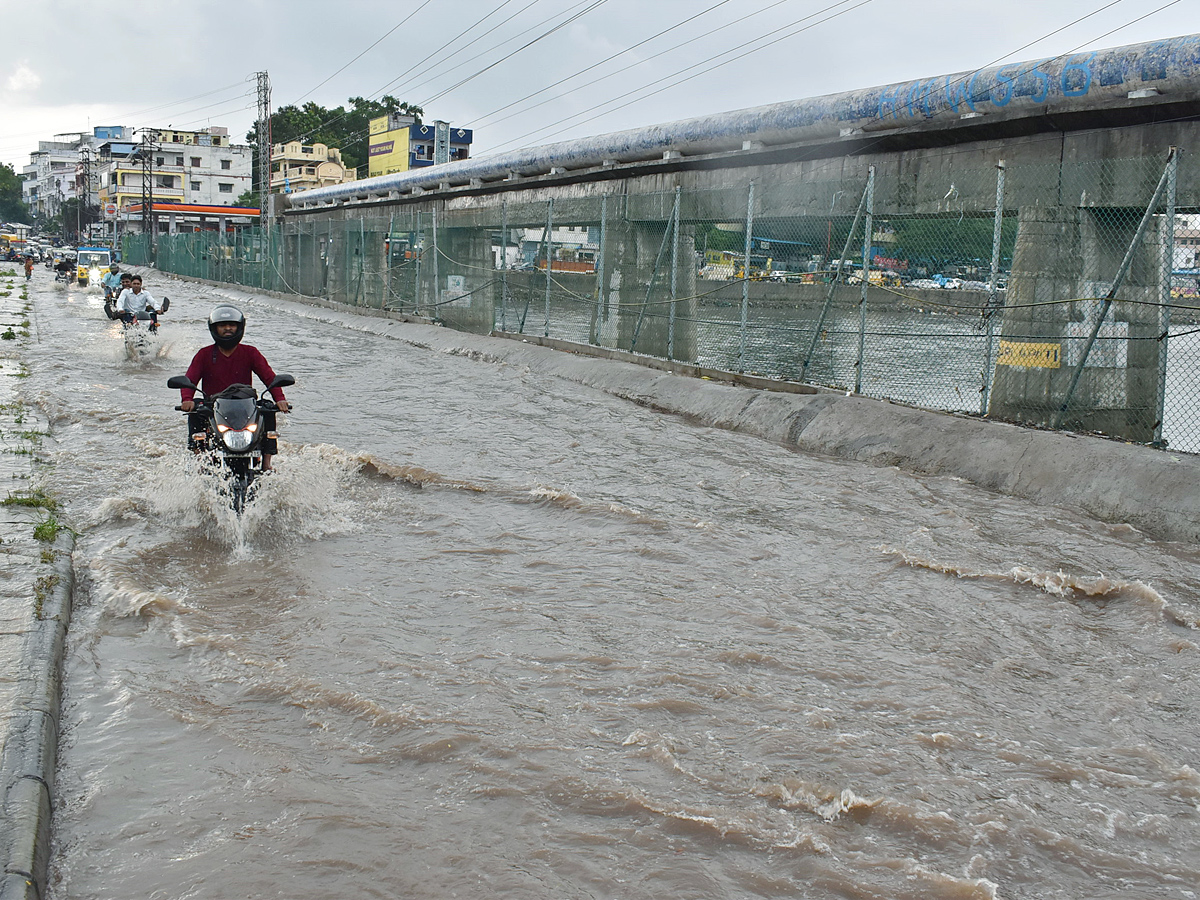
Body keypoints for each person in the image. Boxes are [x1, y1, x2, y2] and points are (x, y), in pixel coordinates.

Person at [178, 305, 290, 471]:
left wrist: (279, 399)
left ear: (240, 327)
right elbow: (190, 379)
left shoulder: (251, 352)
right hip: (214, 405)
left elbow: (269, 377)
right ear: (214, 328)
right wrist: (187, 400)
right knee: (195, 412)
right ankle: (199, 460)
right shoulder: (204, 354)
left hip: (245, 404)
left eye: (232, 325)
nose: (228, 328)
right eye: (222, 325)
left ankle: (266, 463)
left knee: (268, 410)